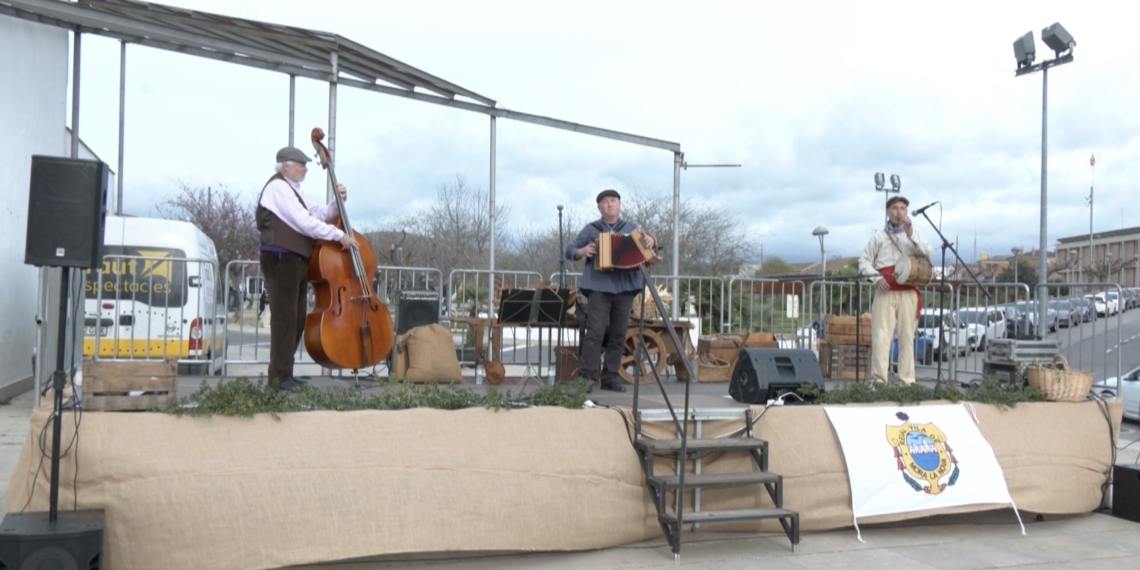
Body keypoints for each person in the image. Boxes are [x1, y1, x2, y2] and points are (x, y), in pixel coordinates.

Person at [257, 146, 357, 390]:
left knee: (297, 319)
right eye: (301, 164)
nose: (305, 168)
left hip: (296, 260)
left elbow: (318, 213)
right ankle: (278, 378)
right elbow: (304, 223)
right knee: (284, 320)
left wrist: (336, 202)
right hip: (281, 259)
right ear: (285, 165)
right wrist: (338, 235)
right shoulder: (278, 188)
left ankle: (285, 374)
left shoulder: (294, 190)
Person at [565, 189, 657, 393]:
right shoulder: (591, 229)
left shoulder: (632, 228)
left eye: (613, 201)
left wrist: (651, 240)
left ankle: (610, 377)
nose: (609, 205)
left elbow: (651, 244)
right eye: (605, 202)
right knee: (595, 333)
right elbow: (570, 250)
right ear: (599, 207)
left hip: (625, 288)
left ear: (619, 205)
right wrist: (582, 251)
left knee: (618, 334)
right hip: (599, 288)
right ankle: (586, 378)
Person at [858, 196, 933, 384]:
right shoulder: (878, 237)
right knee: (881, 338)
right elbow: (864, 262)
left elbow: (928, 253)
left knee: (907, 338)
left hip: (908, 291)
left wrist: (911, 234)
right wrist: (876, 278)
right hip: (885, 291)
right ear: (887, 212)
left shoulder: (915, 233)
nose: (899, 212)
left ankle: (906, 383)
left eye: (902, 208)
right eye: (895, 208)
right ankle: (879, 382)